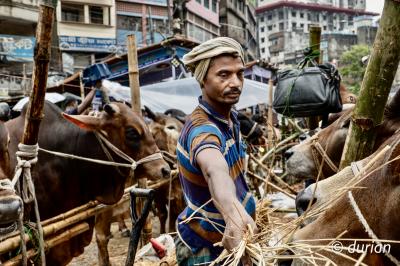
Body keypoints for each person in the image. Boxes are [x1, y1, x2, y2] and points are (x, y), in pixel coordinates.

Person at [175, 37, 257, 266]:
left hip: (235, 240)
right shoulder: (202, 128)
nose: (236, 83)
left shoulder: (230, 118)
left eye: (239, 74)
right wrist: (233, 215)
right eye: (224, 75)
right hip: (207, 248)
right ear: (203, 79)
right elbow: (214, 170)